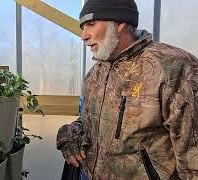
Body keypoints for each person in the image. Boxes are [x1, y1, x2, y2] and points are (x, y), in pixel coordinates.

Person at [56, 0, 198, 179]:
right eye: (82, 27)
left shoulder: (173, 67)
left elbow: (193, 157)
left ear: (120, 23)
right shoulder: (94, 74)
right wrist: (70, 134)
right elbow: (89, 122)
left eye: (91, 24)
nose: (83, 35)